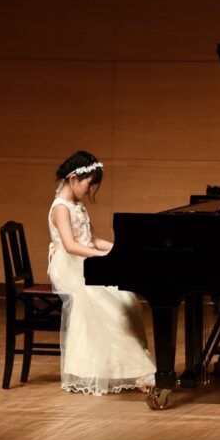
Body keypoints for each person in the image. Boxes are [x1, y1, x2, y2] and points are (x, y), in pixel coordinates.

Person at [47, 150, 156, 395]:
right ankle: (138, 372)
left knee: (126, 299)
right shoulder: (60, 208)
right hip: (70, 265)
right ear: (74, 179)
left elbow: (93, 240)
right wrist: (104, 257)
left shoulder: (77, 205)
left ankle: (126, 369)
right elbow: (71, 245)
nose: (90, 190)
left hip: (85, 261)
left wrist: (120, 249)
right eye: (89, 184)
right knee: (109, 306)